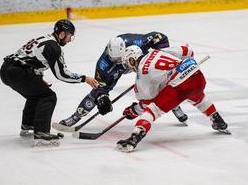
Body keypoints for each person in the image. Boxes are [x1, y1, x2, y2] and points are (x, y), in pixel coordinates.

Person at [54, 32, 188, 131]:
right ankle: (75, 117)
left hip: (140, 60)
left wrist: (160, 56)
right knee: (96, 93)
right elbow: (99, 87)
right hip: (119, 70)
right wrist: (102, 97)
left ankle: (175, 106)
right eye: (114, 59)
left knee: (160, 81)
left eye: (119, 58)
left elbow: (160, 37)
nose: (118, 62)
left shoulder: (136, 43)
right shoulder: (104, 64)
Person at [0, 19, 98, 146]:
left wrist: (38, 80)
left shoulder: (44, 38)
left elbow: (31, 60)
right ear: (62, 34)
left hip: (6, 70)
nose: (69, 40)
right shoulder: (54, 48)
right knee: (48, 96)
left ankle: (28, 124)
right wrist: (85, 79)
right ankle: (41, 132)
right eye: (69, 36)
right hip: (19, 73)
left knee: (35, 94)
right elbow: (62, 74)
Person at [116, 45, 229, 152]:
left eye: (128, 64)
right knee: (197, 97)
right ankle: (217, 119)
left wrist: (134, 110)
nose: (130, 68)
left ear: (132, 60)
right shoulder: (156, 52)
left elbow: (148, 102)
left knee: (153, 110)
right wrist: (184, 70)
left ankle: (134, 138)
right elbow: (187, 51)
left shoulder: (142, 75)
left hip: (180, 86)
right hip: (197, 75)